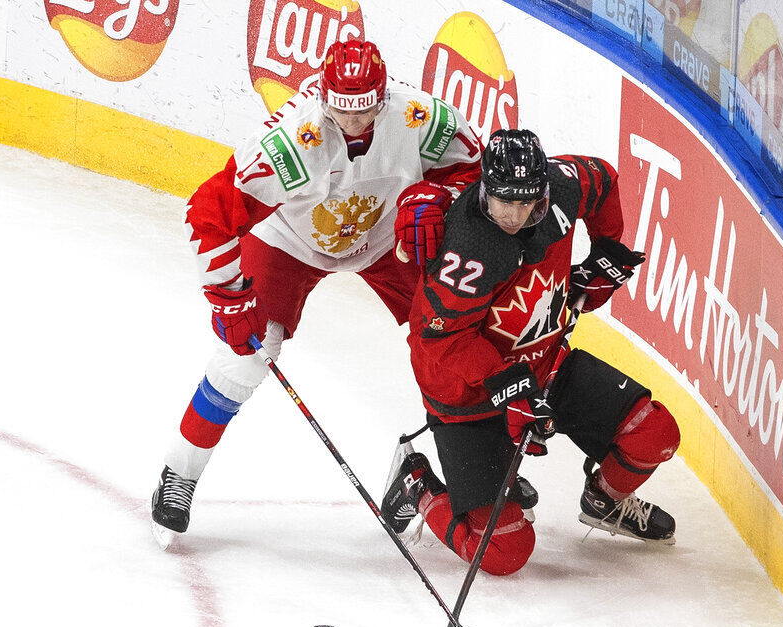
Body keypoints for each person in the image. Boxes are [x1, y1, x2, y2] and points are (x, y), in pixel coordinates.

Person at [150, 39, 483, 542]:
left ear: (383, 93)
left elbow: (475, 171)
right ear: (323, 97)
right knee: (246, 356)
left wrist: (437, 195)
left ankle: (451, 476)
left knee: (451, 335)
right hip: (291, 240)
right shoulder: (292, 140)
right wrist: (227, 296)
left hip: (385, 238)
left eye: (367, 110)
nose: (355, 126)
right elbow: (206, 213)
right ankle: (180, 472)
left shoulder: (419, 117)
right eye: (343, 112)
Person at [382, 129, 681, 576]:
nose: (515, 215)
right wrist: (510, 388)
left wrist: (606, 251)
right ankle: (417, 485)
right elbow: (438, 337)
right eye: (504, 202)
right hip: (465, 393)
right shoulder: (466, 249)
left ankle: (604, 502)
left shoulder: (561, 185)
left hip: (543, 364)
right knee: (505, 552)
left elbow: (603, 180)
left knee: (654, 433)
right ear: (484, 189)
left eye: (527, 203)